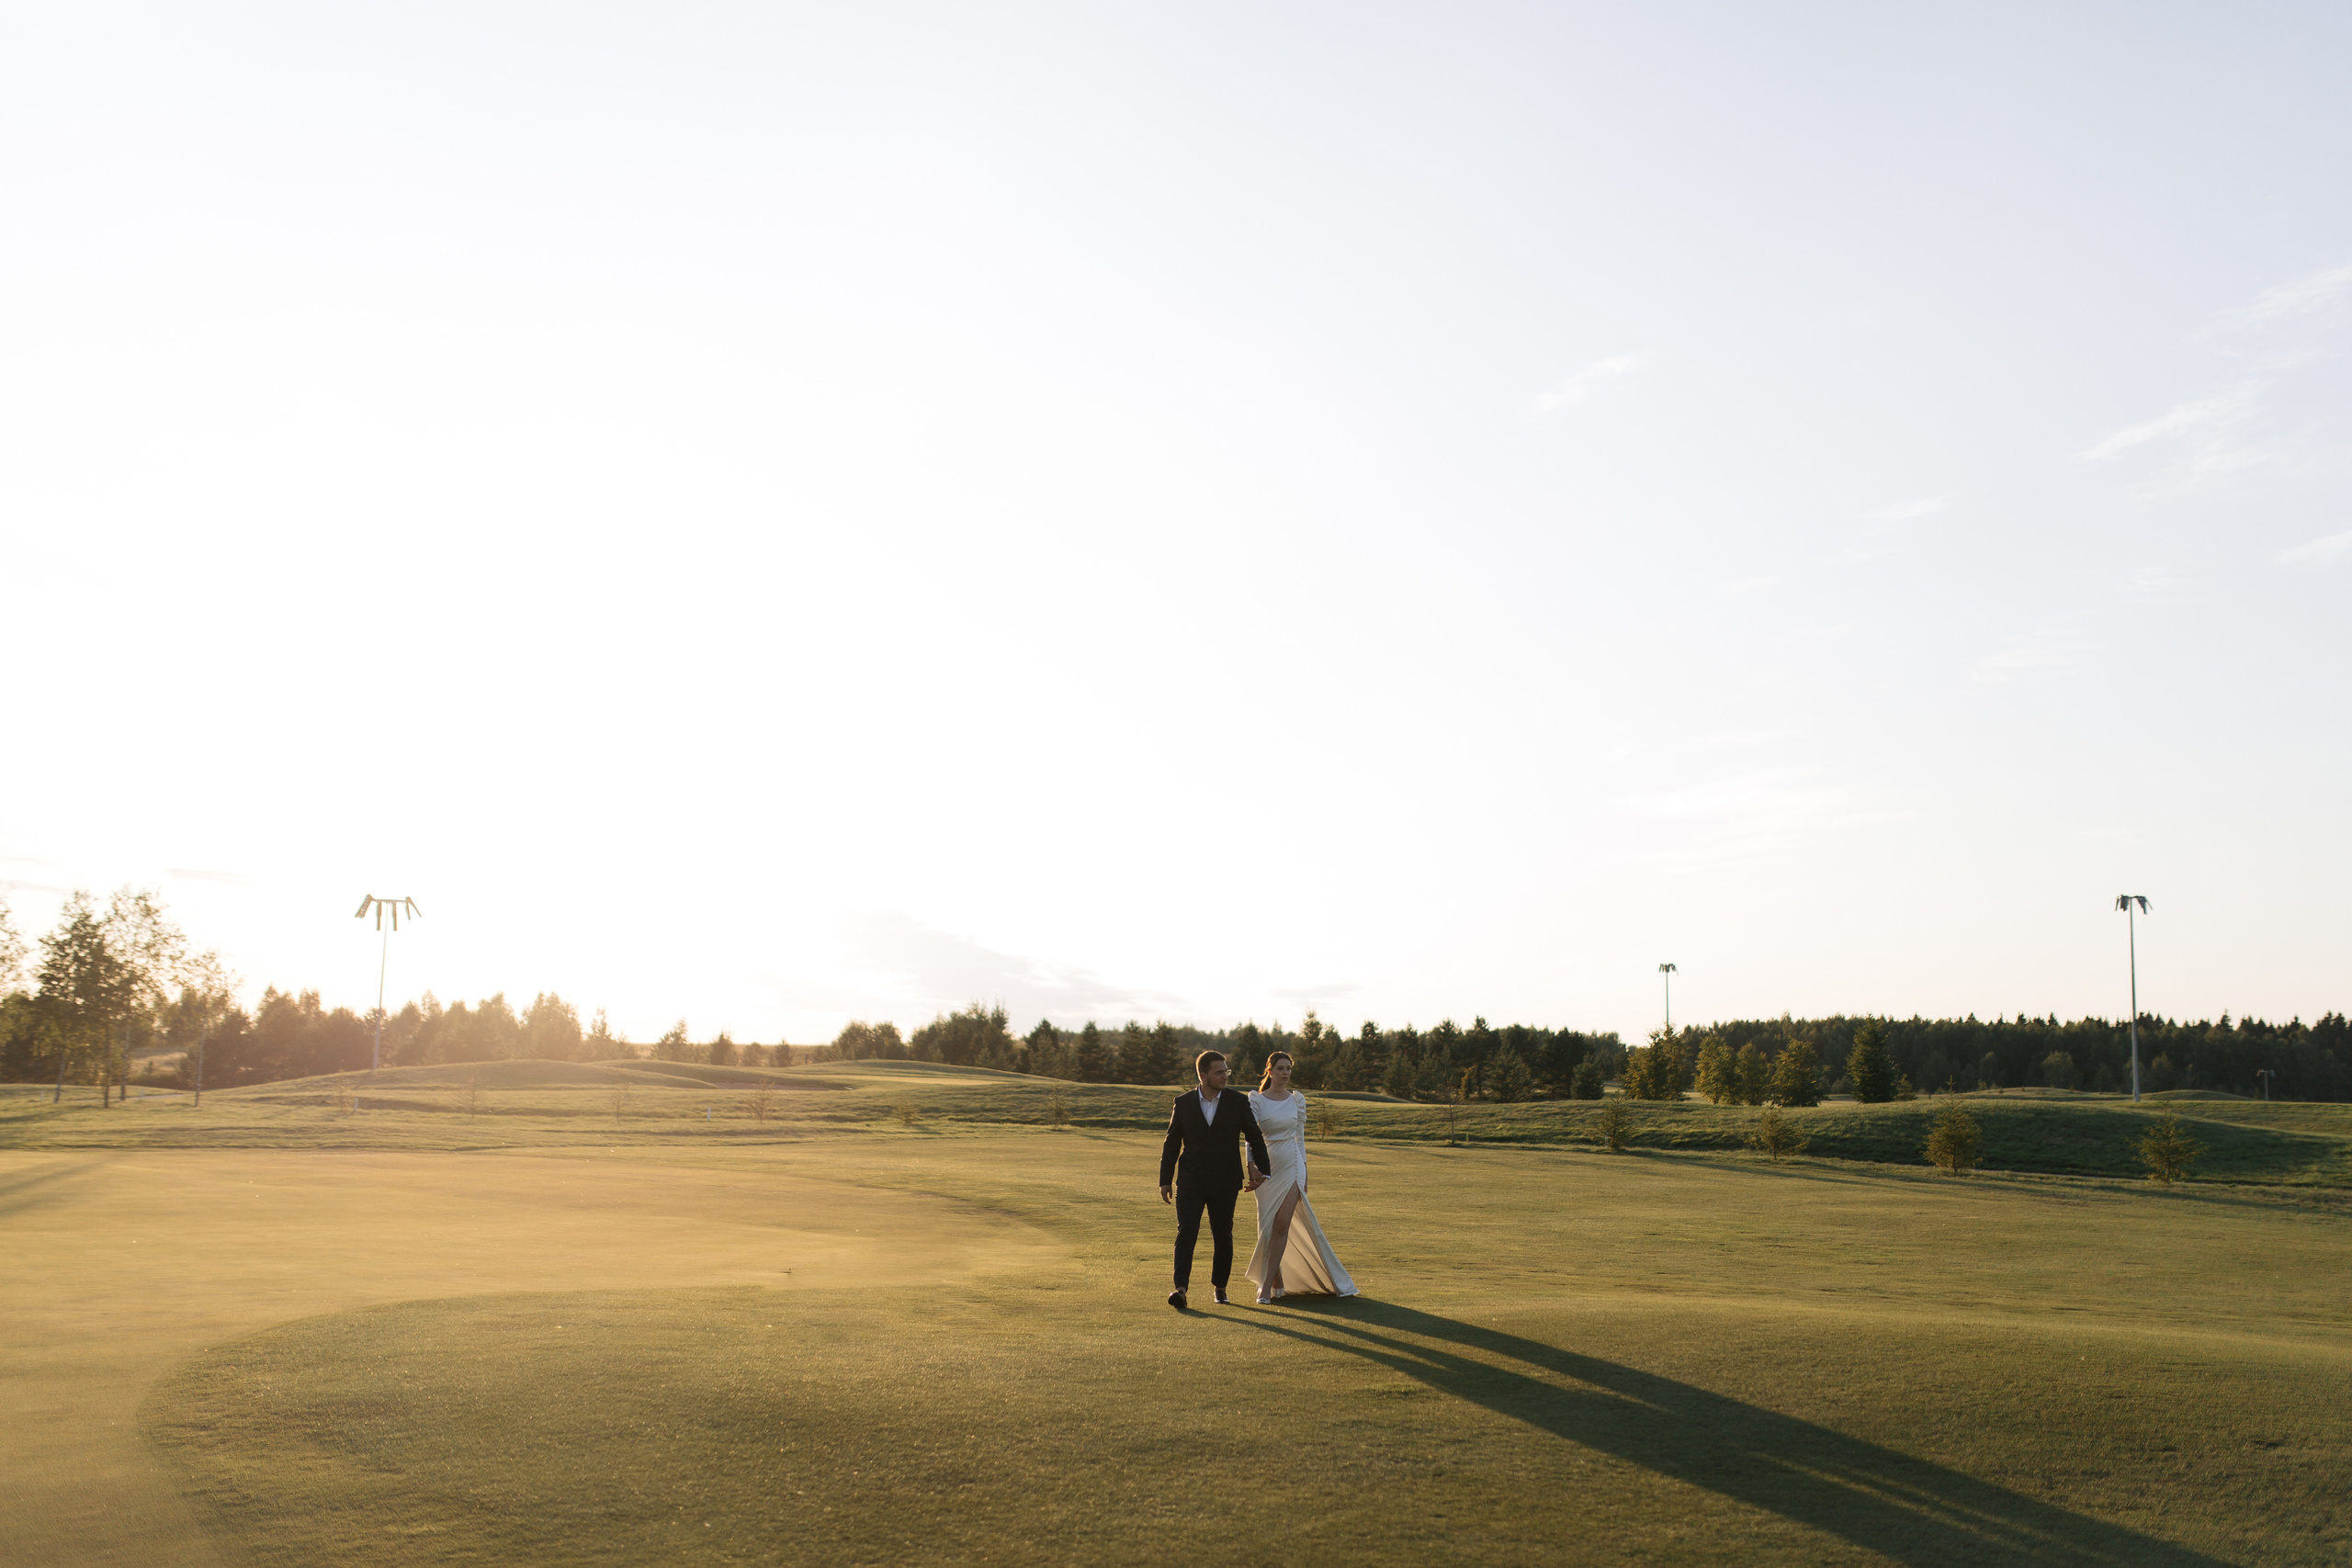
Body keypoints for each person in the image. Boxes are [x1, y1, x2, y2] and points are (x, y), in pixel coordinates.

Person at [1159, 1050, 1271, 1310]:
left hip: (1225, 1180)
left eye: (1226, 1071)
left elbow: (1254, 1135)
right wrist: (1165, 1179)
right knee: (1186, 1232)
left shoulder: (1236, 1101)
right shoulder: (1183, 1103)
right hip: (1190, 1180)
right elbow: (1171, 1143)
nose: (1224, 1076)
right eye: (1219, 1072)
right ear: (1203, 1074)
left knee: (1223, 1234)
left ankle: (1220, 1287)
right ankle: (1180, 1289)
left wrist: (1263, 1171)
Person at [1244, 1051, 1359, 1304]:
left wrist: (1305, 1173)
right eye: (1281, 1068)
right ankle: (1277, 1280)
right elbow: (1251, 1138)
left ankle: (1264, 1288)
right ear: (1270, 1070)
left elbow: (1300, 1138)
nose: (1285, 1073)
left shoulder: (1296, 1100)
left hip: (1293, 1166)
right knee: (1267, 1228)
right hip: (1266, 1168)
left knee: (1282, 1224)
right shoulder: (1257, 1100)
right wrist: (1251, 1167)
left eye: (1289, 1069)